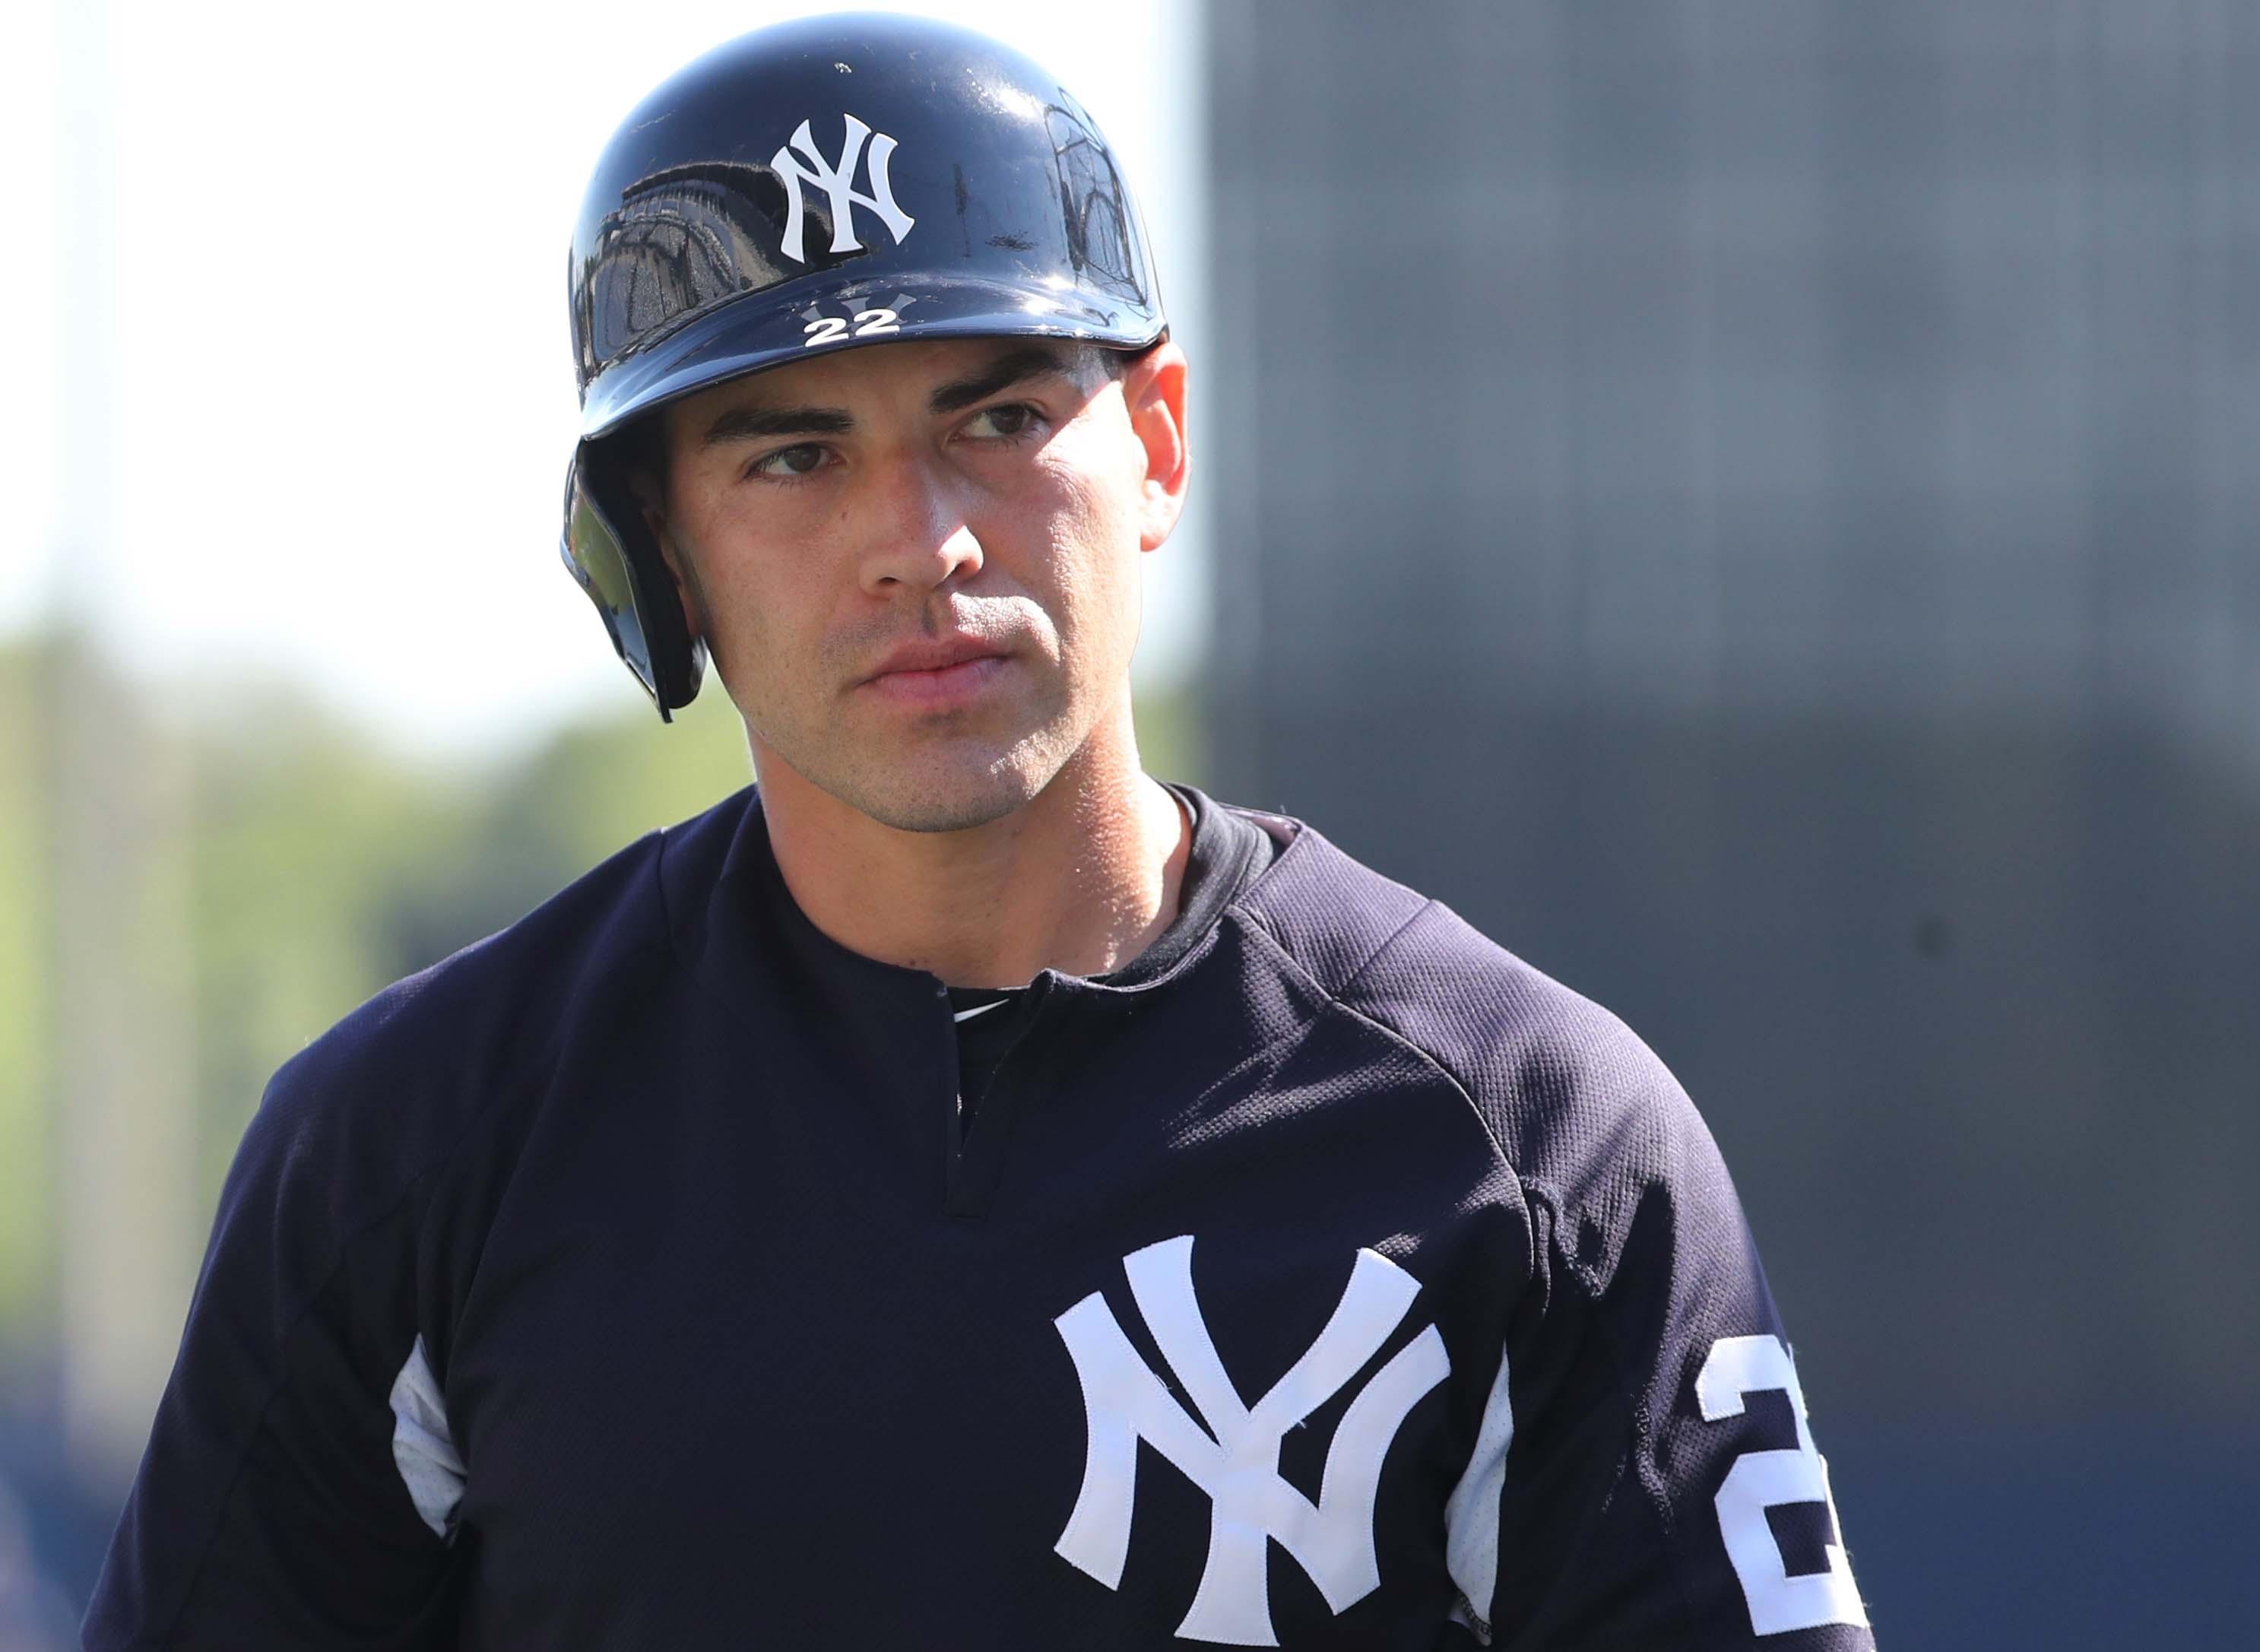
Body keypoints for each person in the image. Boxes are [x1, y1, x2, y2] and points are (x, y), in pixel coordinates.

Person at [84, 15, 1874, 1649]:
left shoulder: (1528, 1143)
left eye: (1000, 417)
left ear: (1158, 444)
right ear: (662, 548)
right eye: (792, 456)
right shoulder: (411, 1152)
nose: (920, 539)